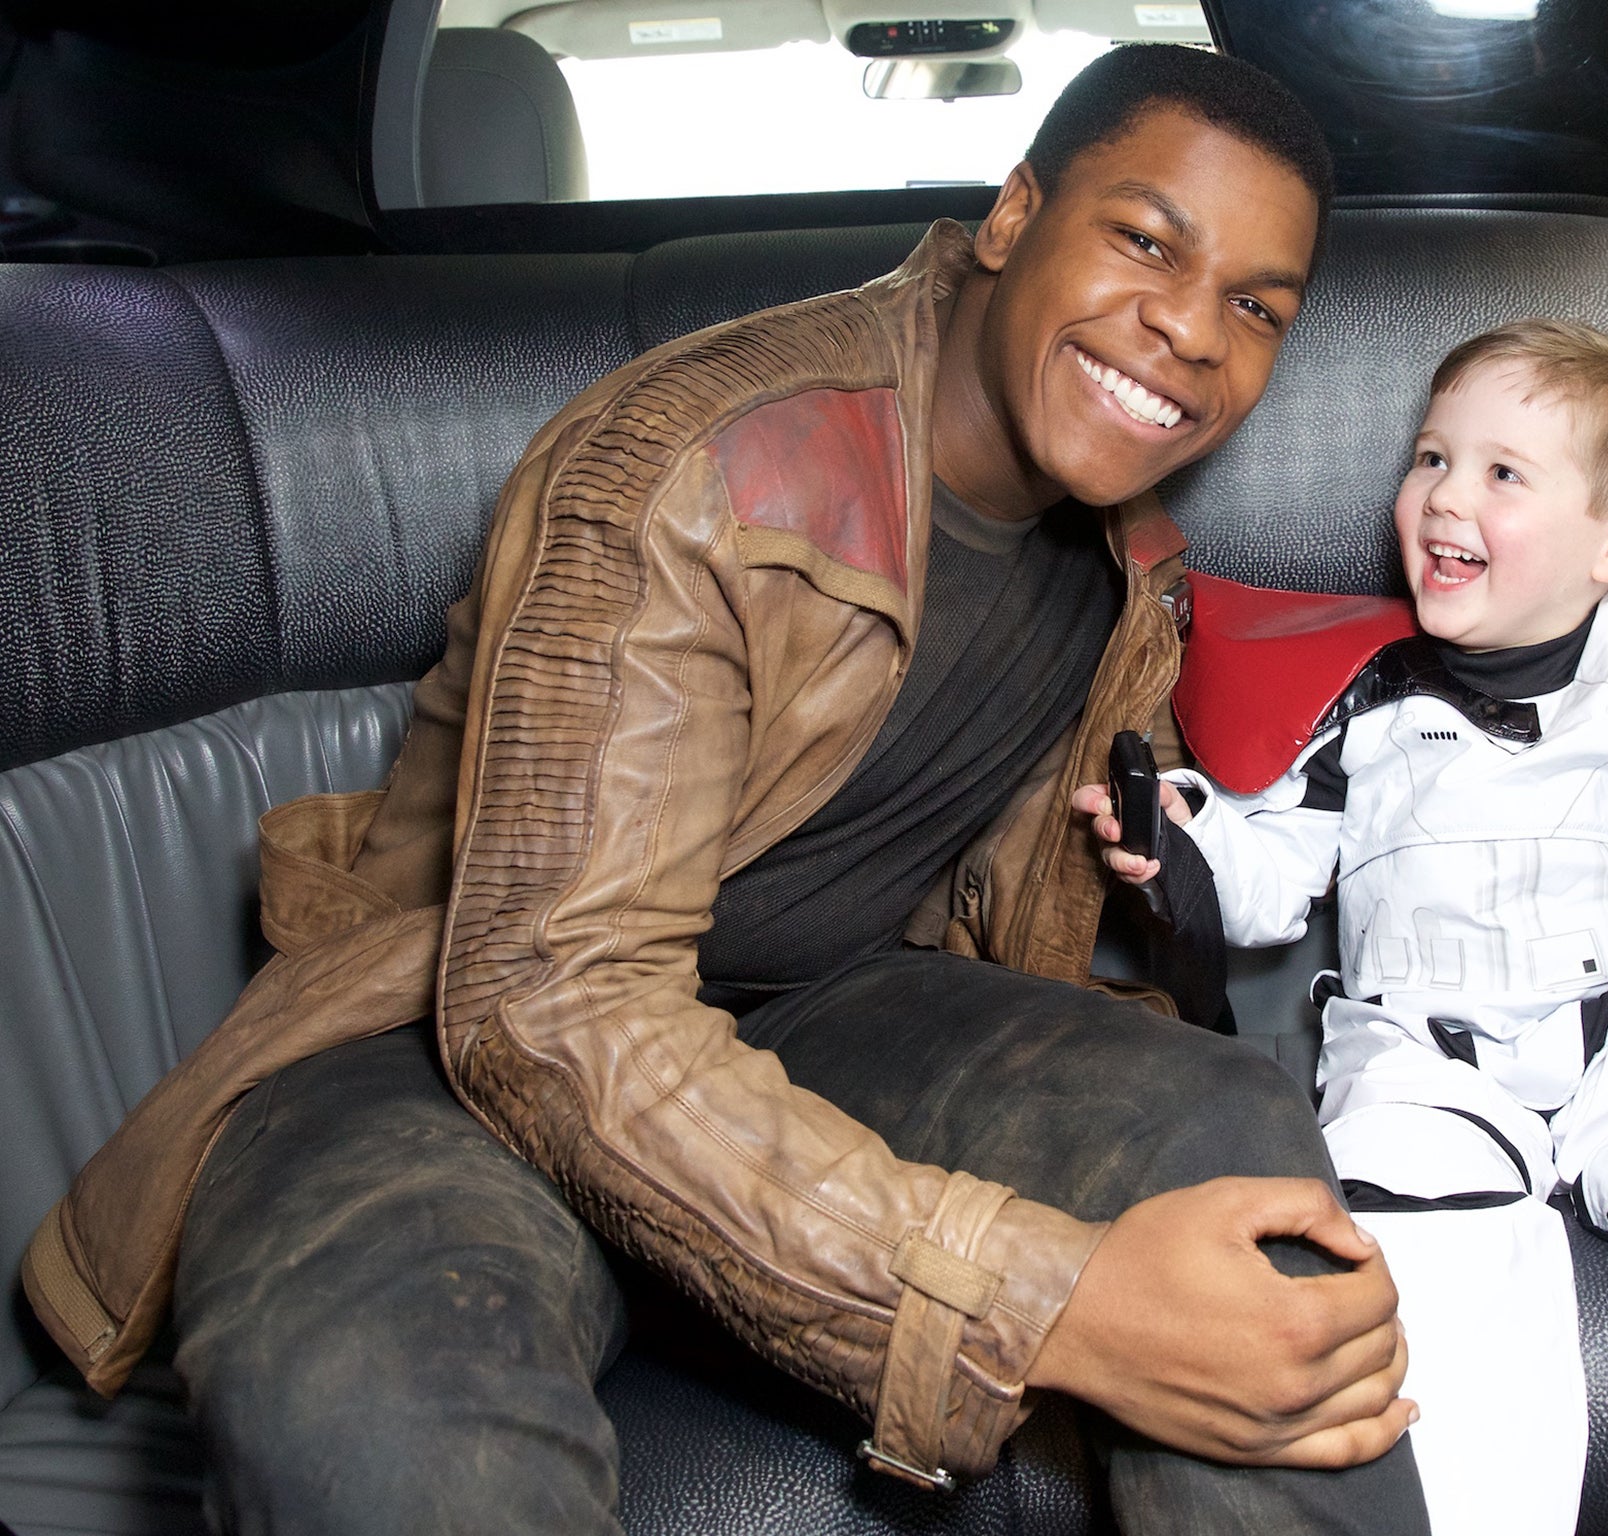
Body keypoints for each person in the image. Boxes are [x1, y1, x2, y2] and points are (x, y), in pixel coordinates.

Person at [23, 44, 1433, 1536]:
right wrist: (1043, 1304)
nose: (1188, 331)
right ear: (1014, 216)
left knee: (1228, 1155)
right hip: (442, 1039)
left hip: (831, 1015)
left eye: (1256, 306)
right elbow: (552, 1010)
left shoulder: (1130, 562)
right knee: (371, 1390)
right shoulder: (692, 465)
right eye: (1146, 241)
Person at [1081, 320, 1608, 1536]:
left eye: (1501, 474)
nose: (1441, 497)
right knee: (1437, 1303)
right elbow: (1271, 874)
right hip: (1422, 1055)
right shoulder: (1361, 687)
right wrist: (1182, 842)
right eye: (1428, 458)